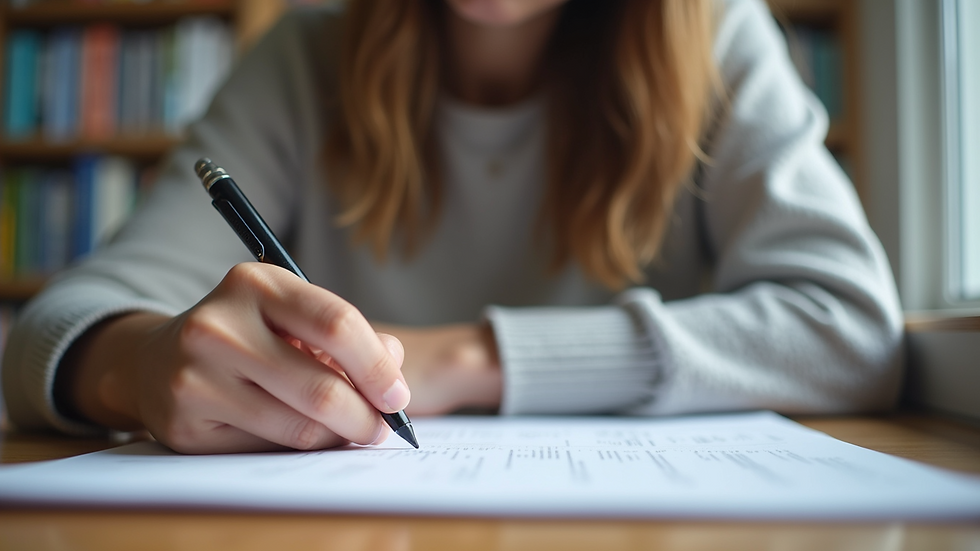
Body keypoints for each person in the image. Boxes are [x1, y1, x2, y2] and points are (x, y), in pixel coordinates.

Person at [1, 0, 904, 454]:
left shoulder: (716, 37)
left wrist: (467, 359)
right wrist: (138, 364)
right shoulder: (306, 55)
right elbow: (56, 329)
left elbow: (850, 326)